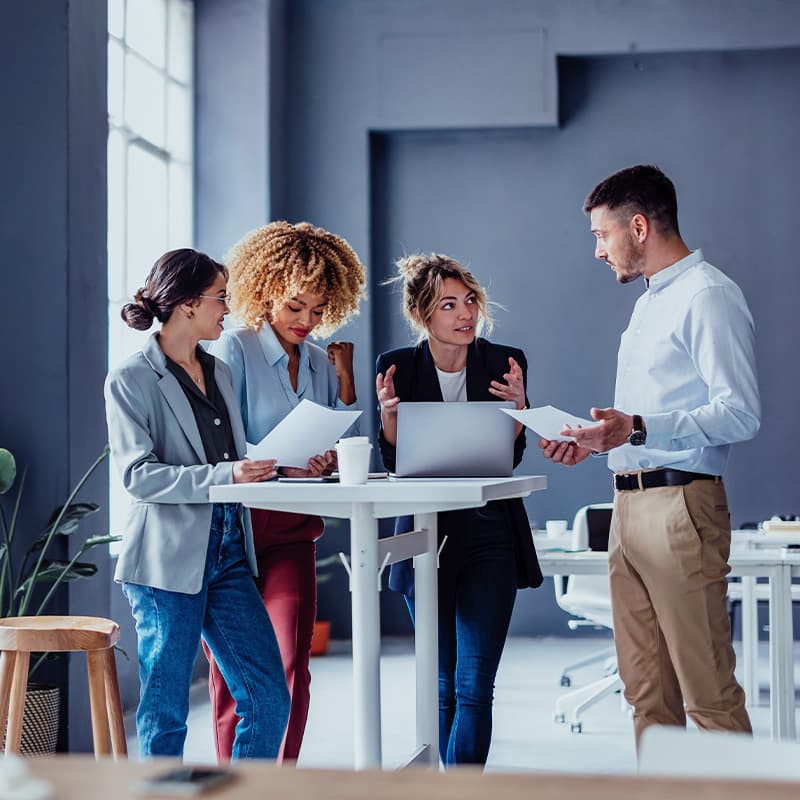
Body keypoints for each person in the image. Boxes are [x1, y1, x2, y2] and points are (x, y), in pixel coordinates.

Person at [539, 164, 760, 748]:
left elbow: (740, 412)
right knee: (645, 696)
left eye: (601, 235)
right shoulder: (647, 305)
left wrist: (636, 427)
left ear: (638, 226)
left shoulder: (708, 295)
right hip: (628, 509)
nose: (597, 251)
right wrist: (597, 442)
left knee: (707, 695)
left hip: (681, 509)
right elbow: (643, 428)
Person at [105, 248, 290, 759]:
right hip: (166, 561)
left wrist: (279, 465)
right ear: (187, 303)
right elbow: (137, 476)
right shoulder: (130, 378)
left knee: (269, 696)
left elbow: (230, 457)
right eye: (220, 297)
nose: (227, 307)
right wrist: (228, 473)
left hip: (229, 550)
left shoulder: (221, 372)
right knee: (166, 713)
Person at [206, 220, 367, 762]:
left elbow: (332, 438)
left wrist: (322, 453)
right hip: (239, 528)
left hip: (294, 526)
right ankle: (233, 784)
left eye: (319, 310)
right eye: (296, 306)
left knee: (291, 663)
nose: (307, 321)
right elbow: (225, 442)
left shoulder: (321, 361)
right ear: (267, 292)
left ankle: (282, 780)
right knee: (237, 673)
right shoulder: (235, 348)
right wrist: (281, 465)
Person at [375, 253, 542, 767]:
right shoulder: (396, 367)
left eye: (470, 301)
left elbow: (508, 456)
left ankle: (461, 788)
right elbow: (395, 458)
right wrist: (387, 417)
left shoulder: (502, 361)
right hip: (424, 535)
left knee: (473, 685)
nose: (465, 313)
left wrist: (520, 412)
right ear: (424, 315)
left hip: (490, 533)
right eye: (449, 305)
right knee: (442, 684)